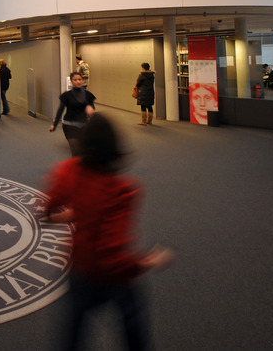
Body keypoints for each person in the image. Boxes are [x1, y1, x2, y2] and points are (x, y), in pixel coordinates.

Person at [41, 114, 175, 351]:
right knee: (135, 331)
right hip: (114, 279)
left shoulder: (67, 171)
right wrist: (148, 261)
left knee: (72, 334)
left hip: (79, 266)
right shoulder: (123, 190)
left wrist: (70, 214)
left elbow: (48, 209)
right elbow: (112, 257)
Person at [49, 71, 96, 156]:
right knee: (75, 150)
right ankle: (75, 167)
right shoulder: (67, 95)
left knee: (83, 151)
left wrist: (91, 110)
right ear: (71, 81)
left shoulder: (88, 94)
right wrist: (54, 125)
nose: (78, 82)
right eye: (75, 80)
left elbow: (92, 108)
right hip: (69, 125)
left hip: (83, 124)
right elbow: (60, 110)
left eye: (80, 79)